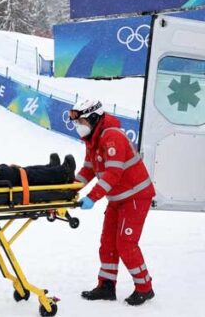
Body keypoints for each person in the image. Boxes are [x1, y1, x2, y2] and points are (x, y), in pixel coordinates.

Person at [70, 100, 156, 306]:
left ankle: (145, 287)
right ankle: (106, 286)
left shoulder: (112, 136)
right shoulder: (93, 140)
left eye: (81, 121)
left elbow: (113, 173)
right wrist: (70, 190)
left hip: (135, 197)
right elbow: (88, 170)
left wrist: (91, 197)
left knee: (126, 245)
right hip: (117, 199)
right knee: (107, 243)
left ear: (93, 118)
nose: (78, 126)